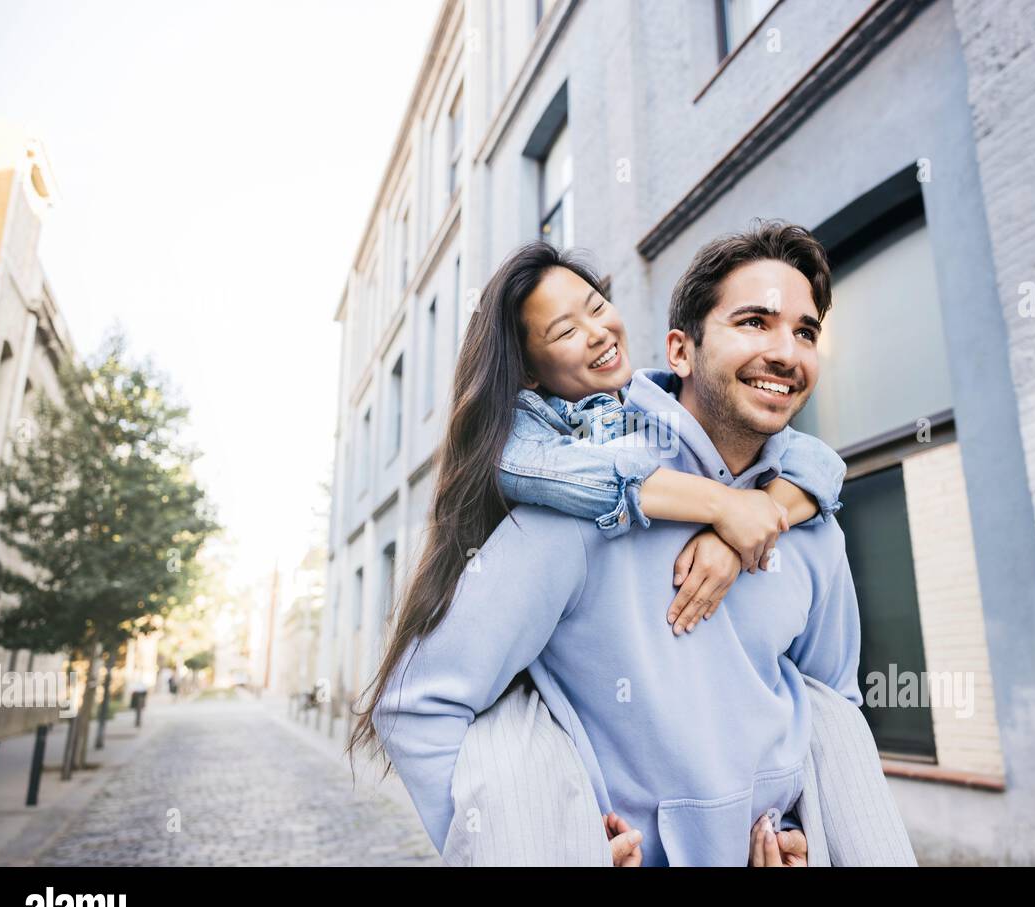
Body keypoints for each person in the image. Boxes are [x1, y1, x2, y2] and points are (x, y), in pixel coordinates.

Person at [353, 221, 916, 866]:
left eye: (805, 331)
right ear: (680, 351)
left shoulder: (812, 522)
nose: (786, 352)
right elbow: (417, 704)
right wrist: (545, 840)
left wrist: (804, 836)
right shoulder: (577, 507)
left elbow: (833, 705)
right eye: (754, 322)